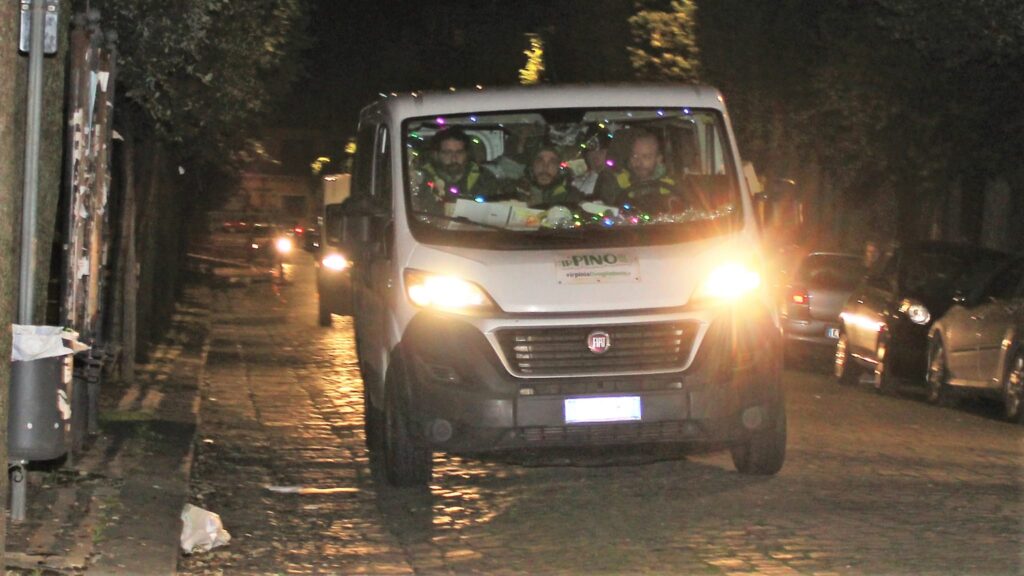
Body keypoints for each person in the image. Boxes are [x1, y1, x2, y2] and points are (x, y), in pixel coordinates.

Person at [595, 129, 680, 212]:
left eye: (646, 157)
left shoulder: (672, 186)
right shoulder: (616, 183)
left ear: (658, 159)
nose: (639, 162)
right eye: (634, 156)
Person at [420, 128, 500, 203]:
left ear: (466, 154)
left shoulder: (484, 178)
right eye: (447, 153)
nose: (454, 159)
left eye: (459, 152)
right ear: (436, 155)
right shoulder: (423, 178)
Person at [515, 144, 581, 208]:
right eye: (540, 161)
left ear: (558, 169)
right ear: (532, 166)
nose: (545, 167)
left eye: (552, 163)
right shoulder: (514, 189)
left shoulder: (571, 196)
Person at [572, 131, 610, 197]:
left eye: (601, 152)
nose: (595, 156)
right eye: (592, 152)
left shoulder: (616, 182)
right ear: (586, 155)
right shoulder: (575, 183)